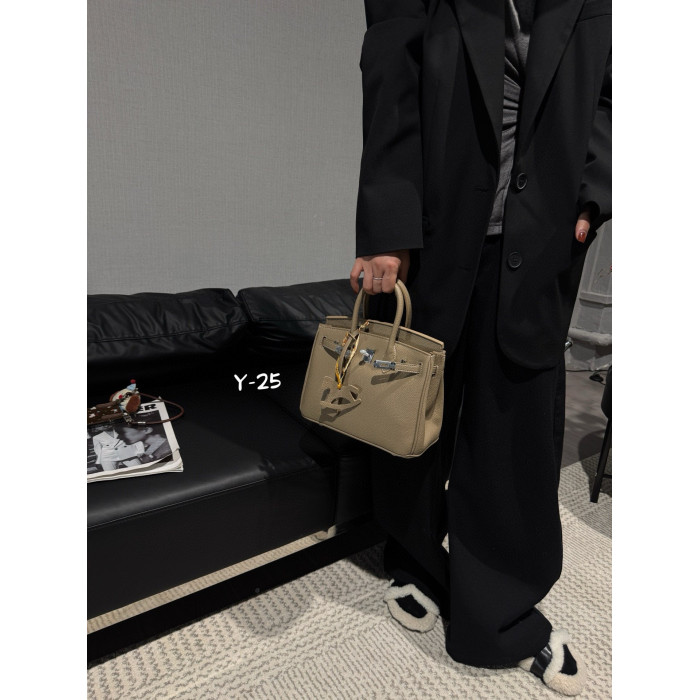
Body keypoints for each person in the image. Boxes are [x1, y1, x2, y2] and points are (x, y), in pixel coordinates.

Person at [349, 0, 611, 695]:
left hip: (543, 233)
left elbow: (616, 90)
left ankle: (500, 612)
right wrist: (386, 225)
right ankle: (414, 558)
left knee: (514, 425)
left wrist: (593, 194)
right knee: (411, 406)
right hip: (432, 228)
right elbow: (392, 72)